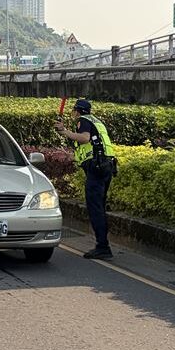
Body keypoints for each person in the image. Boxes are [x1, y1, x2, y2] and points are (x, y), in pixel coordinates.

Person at [55, 99, 117, 260]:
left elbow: (84, 138)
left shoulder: (83, 121)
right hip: (107, 166)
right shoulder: (96, 121)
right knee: (100, 207)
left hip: (96, 168)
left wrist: (64, 131)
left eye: (73, 111)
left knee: (94, 208)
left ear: (78, 111)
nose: (72, 114)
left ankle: (103, 247)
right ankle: (102, 244)